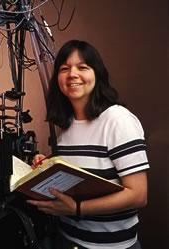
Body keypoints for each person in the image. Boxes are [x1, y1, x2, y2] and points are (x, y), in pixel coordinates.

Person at [27, 40, 149, 249]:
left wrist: (77, 208)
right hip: (67, 239)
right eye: (64, 68)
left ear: (97, 75)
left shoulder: (117, 119)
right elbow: (82, 170)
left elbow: (138, 195)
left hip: (112, 246)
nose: (72, 74)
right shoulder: (67, 124)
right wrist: (47, 164)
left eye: (82, 67)